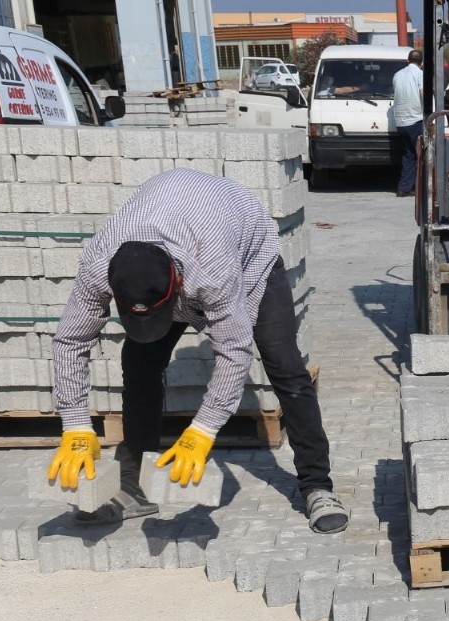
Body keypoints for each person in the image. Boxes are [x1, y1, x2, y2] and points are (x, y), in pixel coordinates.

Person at [46, 169, 349, 534]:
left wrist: (202, 431)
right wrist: (75, 425)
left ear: (177, 285)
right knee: (139, 363)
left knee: (285, 368)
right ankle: (133, 486)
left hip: (248, 257)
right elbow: (70, 341)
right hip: (176, 234)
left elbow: (235, 350)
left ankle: (318, 486)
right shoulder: (99, 263)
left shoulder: (213, 269)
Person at [392, 49, 424, 198]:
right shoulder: (419, 74)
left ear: (408, 60)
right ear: (421, 62)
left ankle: (404, 187)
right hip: (415, 118)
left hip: (400, 120)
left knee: (408, 155)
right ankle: (423, 188)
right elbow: (422, 94)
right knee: (423, 154)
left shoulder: (397, 74)